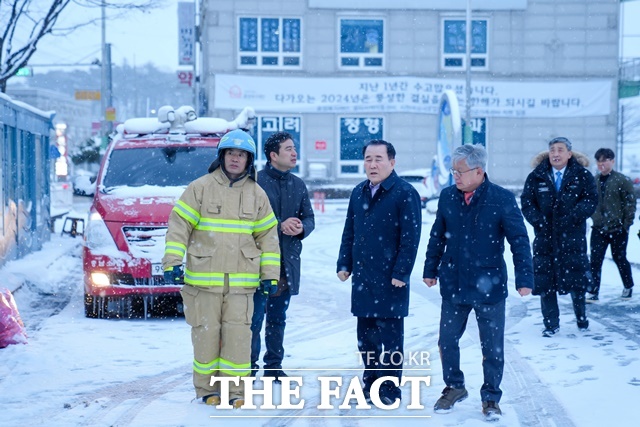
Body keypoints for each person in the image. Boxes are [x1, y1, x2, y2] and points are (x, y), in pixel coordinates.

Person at [162, 129, 280, 408]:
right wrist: (172, 262)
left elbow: (268, 238)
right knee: (206, 335)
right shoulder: (199, 188)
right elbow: (179, 227)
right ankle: (207, 389)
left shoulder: (257, 194)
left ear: (249, 160)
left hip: (242, 284)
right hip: (203, 282)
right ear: (222, 157)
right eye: (231, 154)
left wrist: (270, 275)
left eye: (241, 155)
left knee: (239, 338)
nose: (235, 159)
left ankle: (236, 391)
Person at [423, 144, 533, 421]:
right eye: (453, 171)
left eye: (459, 171)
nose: (455, 177)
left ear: (479, 171)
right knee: (447, 340)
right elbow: (437, 235)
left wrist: (525, 278)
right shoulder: (449, 197)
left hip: (489, 285)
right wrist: (430, 268)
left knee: (492, 347)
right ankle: (455, 387)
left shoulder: (501, 198)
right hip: (454, 283)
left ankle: (491, 397)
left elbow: (519, 240)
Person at [337, 139, 422, 405]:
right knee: (367, 338)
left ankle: (389, 388)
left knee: (391, 339)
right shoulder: (358, 192)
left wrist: (402, 272)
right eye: (368, 159)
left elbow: (411, 238)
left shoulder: (405, 193)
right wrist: (344, 263)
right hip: (364, 277)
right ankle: (370, 383)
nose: (372, 164)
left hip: (391, 279)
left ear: (392, 162)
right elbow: (350, 231)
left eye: (378, 159)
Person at [251, 132, 315, 381]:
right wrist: (279, 224)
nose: (294, 152)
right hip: (257, 262)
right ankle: (249, 367)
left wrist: (301, 228)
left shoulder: (298, 184)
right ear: (273, 155)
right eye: (288, 149)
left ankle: (274, 366)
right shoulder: (255, 182)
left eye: (294, 148)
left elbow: (309, 217)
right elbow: (249, 219)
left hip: (287, 263)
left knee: (278, 319)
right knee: (254, 319)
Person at [521, 137, 597, 337]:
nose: (556, 154)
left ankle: (581, 318)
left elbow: (590, 200)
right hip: (544, 237)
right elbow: (527, 203)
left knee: (577, 279)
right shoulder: (536, 177)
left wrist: (573, 217)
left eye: (560, 150)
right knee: (546, 281)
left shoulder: (582, 176)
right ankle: (551, 324)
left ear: (569, 154)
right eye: (552, 150)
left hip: (572, 236)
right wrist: (538, 221)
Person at [588, 148, 636, 302]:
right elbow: (589, 201)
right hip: (598, 228)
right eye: (599, 161)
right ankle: (593, 291)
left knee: (620, 258)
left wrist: (626, 224)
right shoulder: (593, 181)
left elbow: (630, 203)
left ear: (612, 161)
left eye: (605, 160)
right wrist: (594, 217)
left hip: (618, 228)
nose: (601, 164)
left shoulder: (622, 180)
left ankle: (628, 286)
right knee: (595, 260)